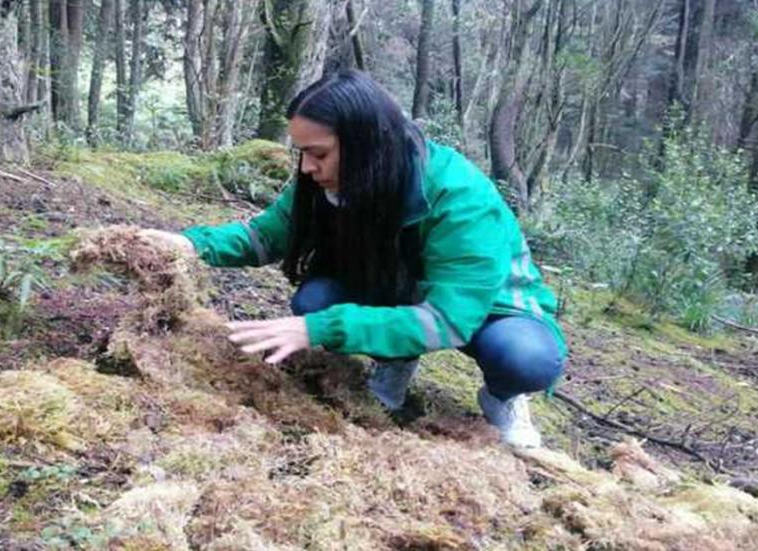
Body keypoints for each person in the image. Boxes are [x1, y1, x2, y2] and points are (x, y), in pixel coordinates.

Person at [144, 70, 566, 448]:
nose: (307, 167)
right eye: (302, 153)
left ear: (367, 144)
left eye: (319, 153)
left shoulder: (460, 197)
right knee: (315, 298)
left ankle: (502, 397)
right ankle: (394, 359)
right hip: (394, 289)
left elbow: (450, 320)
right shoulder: (333, 182)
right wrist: (189, 245)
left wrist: (322, 329)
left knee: (525, 358)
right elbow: (263, 236)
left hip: (487, 309)